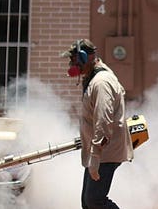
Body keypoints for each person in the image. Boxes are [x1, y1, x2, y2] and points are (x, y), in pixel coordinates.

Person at [62, 38, 133, 209]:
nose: (72, 64)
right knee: (88, 202)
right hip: (99, 150)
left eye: (74, 60)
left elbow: (103, 120)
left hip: (104, 151)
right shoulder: (94, 77)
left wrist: (95, 155)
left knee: (95, 201)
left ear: (85, 57)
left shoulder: (101, 82)